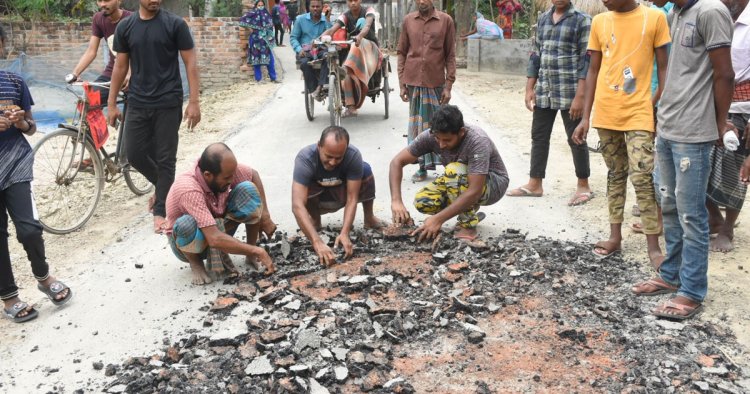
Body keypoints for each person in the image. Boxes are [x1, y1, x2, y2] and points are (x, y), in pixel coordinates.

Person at [630, 0, 734, 320]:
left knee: (692, 216)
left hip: (694, 132)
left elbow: (724, 74)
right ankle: (670, 274)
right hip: (669, 126)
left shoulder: (710, 11)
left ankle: (691, 291)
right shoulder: (676, 13)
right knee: (671, 206)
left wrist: (720, 122)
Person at [571, 0, 669, 267]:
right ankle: (615, 236)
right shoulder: (600, 22)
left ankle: (653, 246)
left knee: (642, 176)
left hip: (639, 111)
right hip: (606, 113)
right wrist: (586, 117)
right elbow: (593, 70)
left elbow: (664, 68)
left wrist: (655, 102)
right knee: (615, 174)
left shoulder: (655, 18)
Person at [107, 0, 202, 234]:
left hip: (168, 101)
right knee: (135, 154)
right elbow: (120, 67)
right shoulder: (125, 27)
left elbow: (190, 62)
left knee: (165, 158)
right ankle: (168, 190)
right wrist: (111, 103)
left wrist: (194, 101)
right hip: (138, 101)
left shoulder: (175, 24)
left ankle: (161, 211)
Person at [0, 24, 73, 323]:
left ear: (2, 45)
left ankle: (43, 277)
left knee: (29, 228)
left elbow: (32, 128)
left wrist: (19, 123)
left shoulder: (15, 82)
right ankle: (9, 297)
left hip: (16, 164)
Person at [506, 0, 592, 206]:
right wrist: (529, 87)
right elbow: (536, 54)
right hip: (545, 90)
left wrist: (581, 96)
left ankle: (583, 185)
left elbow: (586, 60)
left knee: (576, 138)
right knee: (539, 137)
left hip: (570, 91)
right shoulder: (543, 19)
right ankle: (535, 183)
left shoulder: (582, 20)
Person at [389, 105, 510, 242]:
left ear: (461, 132)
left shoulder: (477, 140)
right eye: (437, 139)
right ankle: (467, 207)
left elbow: (475, 190)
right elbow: (396, 162)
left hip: (493, 184)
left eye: (447, 140)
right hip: (462, 180)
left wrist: (437, 219)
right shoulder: (431, 135)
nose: (441, 145)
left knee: (453, 171)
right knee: (423, 201)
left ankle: (468, 225)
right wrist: (396, 201)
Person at [165, 143, 276, 285]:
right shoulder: (189, 189)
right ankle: (196, 264)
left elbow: (253, 175)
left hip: (217, 227)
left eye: (232, 175)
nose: (231, 180)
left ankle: (250, 255)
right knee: (186, 223)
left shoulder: (223, 171)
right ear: (207, 175)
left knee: (248, 189)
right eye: (226, 178)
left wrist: (265, 216)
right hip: (189, 242)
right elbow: (214, 238)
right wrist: (257, 250)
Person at [292, 126, 385, 266]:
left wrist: (345, 232)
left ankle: (369, 218)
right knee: (305, 186)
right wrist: (317, 242)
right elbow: (297, 205)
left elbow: (352, 198)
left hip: (341, 193)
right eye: (328, 156)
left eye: (338, 158)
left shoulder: (353, 155)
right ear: (319, 146)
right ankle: (315, 221)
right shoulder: (305, 158)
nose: (333, 162)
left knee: (365, 170)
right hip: (318, 197)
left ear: (346, 150)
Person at [397, 0, 457, 182]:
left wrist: (448, 85)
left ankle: (449, 166)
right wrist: (401, 83)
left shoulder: (446, 21)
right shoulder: (408, 20)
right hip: (414, 81)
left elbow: (450, 55)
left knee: (441, 126)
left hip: (435, 82)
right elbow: (401, 51)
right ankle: (422, 167)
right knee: (417, 128)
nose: (422, 1)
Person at [706, 0, 749, 253]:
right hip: (712, 100)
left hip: (743, 106)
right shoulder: (715, 15)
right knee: (701, 164)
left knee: (733, 171)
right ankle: (713, 217)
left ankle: (728, 228)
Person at [321, 0, 380, 118]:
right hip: (355, 51)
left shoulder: (368, 11)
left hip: (370, 49)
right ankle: (351, 107)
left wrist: (360, 36)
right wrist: (324, 36)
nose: (353, 3)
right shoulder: (345, 15)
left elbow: (367, 26)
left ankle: (345, 68)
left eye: (356, 0)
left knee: (353, 48)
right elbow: (333, 29)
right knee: (347, 73)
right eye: (350, 0)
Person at [69, 0, 133, 101]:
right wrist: (75, 74)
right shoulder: (98, 18)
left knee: (134, 110)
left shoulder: (132, 19)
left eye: (107, 0)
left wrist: (130, 73)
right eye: (99, 0)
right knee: (89, 101)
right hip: (112, 72)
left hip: (135, 72)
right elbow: (91, 51)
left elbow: (139, 52)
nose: (103, 4)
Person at [290, 0, 331, 100]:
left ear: (322, 7)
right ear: (309, 7)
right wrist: (299, 49)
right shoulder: (300, 20)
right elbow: (293, 37)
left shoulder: (326, 20)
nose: (315, 8)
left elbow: (331, 35)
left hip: (321, 49)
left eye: (318, 6)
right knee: (304, 64)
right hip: (305, 51)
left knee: (329, 57)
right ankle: (313, 90)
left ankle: (321, 86)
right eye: (313, 6)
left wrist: (328, 19)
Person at [240, 0, 279, 83]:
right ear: (256, 5)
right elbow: (243, 20)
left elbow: (270, 25)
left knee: (270, 60)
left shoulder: (266, 13)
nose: (261, 6)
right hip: (255, 40)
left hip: (265, 40)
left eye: (262, 5)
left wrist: (270, 37)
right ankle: (259, 79)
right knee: (256, 60)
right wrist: (250, 29)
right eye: (259, 5)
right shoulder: (252, 13)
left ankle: (273, 78)